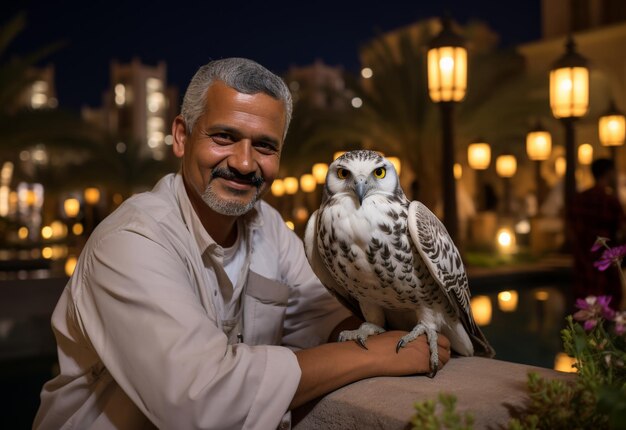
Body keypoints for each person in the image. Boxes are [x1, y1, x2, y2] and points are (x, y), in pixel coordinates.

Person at [33, 58, 450, 430]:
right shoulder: (130, 242)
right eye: (224, 137)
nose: (245, 163)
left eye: (265, 145)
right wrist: (374, 356)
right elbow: (201, 402)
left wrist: (409, 325)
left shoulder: (266, 225)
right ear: (181, 136)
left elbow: (328, 319)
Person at [570, 158, 626, 310]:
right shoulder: (610, 201)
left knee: (585, 312)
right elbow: (621, 230)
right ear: (608, 173)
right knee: (608, 312)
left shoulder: (579, 199)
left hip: (583, 261)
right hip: (605, 264)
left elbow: (573, 228)